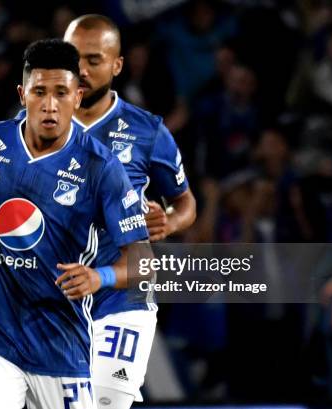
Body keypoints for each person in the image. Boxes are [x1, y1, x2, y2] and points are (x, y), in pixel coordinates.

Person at [0, 39, 149, 409]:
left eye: (61, 93)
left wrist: (100, 278)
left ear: (78, 96)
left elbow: (144, 263)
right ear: (23, 94)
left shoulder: (102, 168)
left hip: (62, 346)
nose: (50, 105)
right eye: (39, 92)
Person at [65, 15, 196, 408]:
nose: (81, 71)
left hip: (122, 294)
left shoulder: (147, 130)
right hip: (56, 296)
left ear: (117, 65)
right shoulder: (35, 125)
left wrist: (168, 221)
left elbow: (186, 201)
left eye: (93, 60)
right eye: (74, 60)